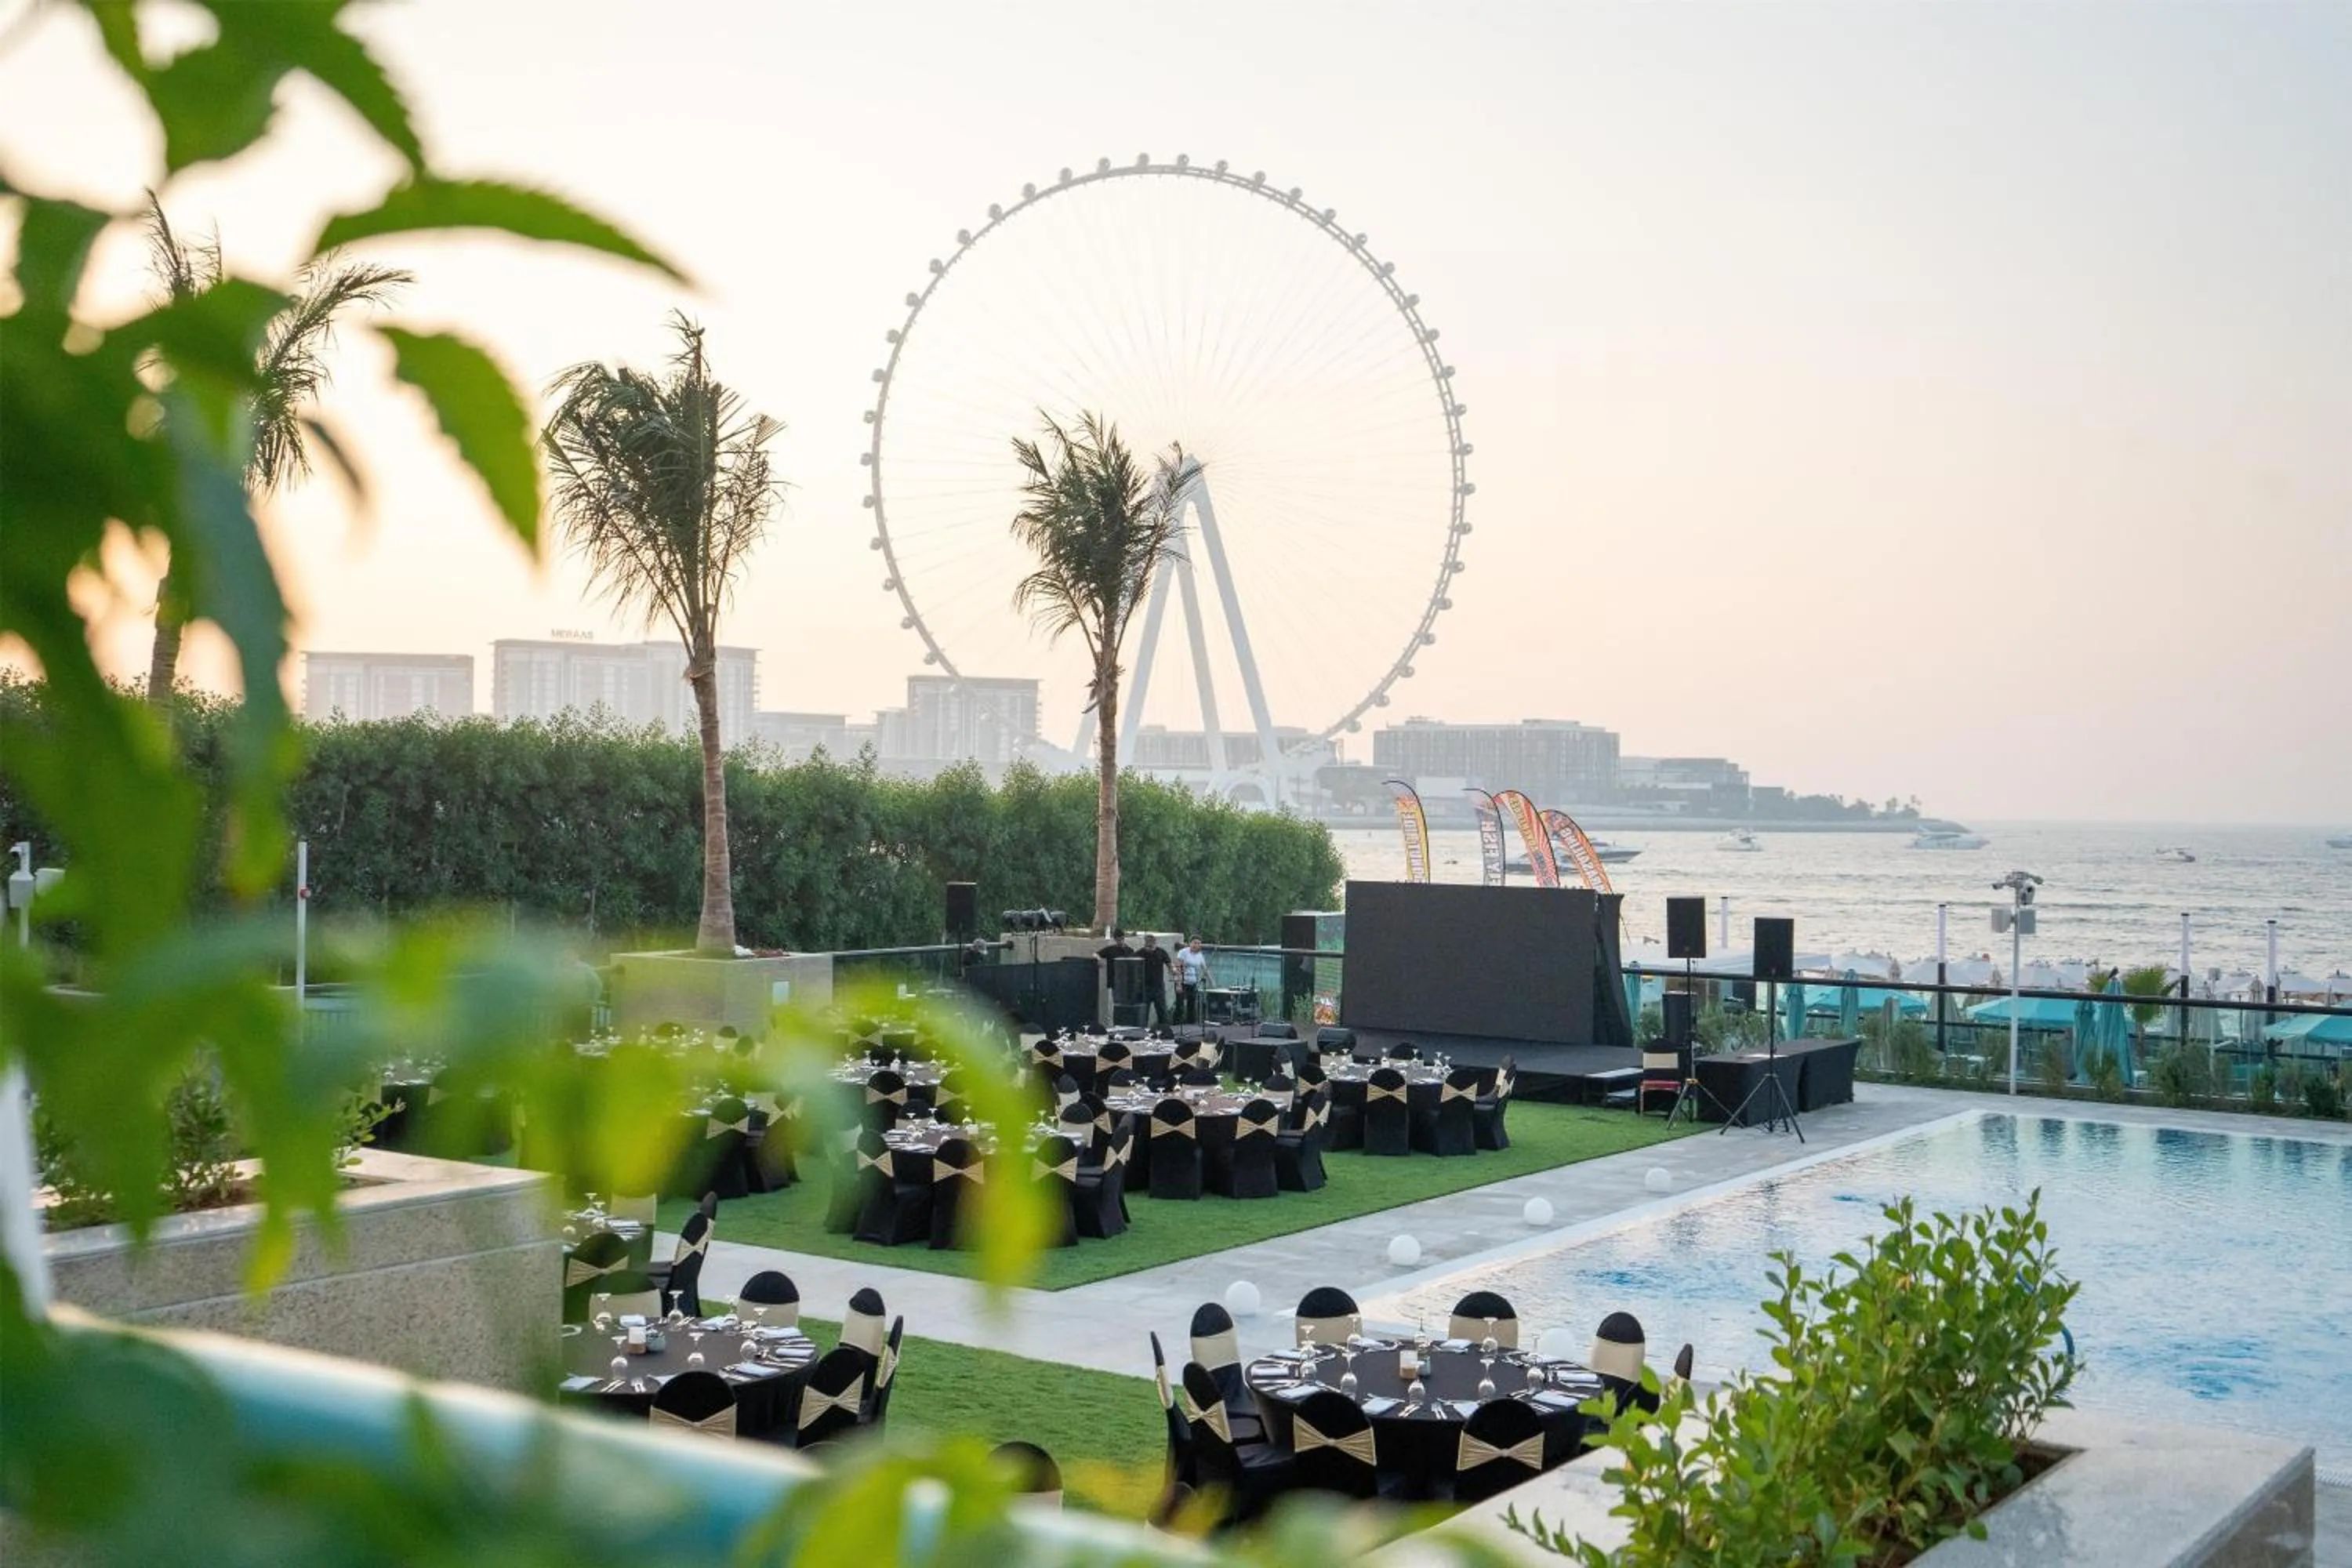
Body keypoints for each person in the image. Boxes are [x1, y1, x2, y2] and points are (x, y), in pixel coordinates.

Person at [1138, 932, 1174, 1029]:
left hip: (1158, 987)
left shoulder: (1161, 952)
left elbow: (1169, 964)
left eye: (1151, 945)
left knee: (1162, 1011)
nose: (1150, 948)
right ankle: (1142, 1031)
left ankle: (1165, 1030)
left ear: (1155, 943)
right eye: (1148, 945)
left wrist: (1173, 971)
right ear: (1145, 944)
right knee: (1143, 1012)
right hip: (1145, 987)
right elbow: (1132, 966)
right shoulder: (1140, 953)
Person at [1176, 935, 1212, 1025]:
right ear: (1190, 943)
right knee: (1180, 1005)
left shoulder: (1200, 955)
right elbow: (1178, 968)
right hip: (1183, 981)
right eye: (1195, 943)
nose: (1196, 945)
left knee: (1191, 1005)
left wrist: (1212, 982)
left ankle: (1190, 1024)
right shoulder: (1183, 952)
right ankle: (1176, 1024)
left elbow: (1205, 969)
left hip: (1193, 982)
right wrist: (1178, 984)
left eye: (1199, 943)